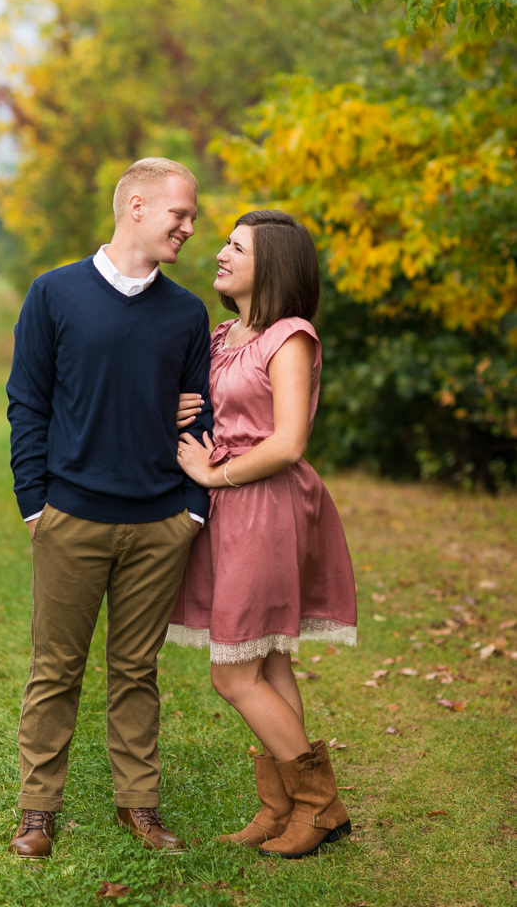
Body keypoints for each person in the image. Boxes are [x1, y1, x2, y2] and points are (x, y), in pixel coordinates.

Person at [6, 158, 213, 859]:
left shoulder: (187, 311)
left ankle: (139, 808)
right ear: (134, 207)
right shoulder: (54, 294)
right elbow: (27, 402)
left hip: (159, 524)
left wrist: (190, 512)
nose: (189, 228)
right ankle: (37, 812)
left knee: (136, 672)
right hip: (71, 517)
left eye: (191, 217)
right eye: (179, 214)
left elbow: (199, 416)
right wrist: (34, 502)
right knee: (55, 670)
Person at [170, 210, 357, 860]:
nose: (218, 251)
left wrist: (211, 473)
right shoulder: (223, 335)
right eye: (223, 240)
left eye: (235, 246)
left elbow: (287, 441)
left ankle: (320, 805)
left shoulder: (290, 337)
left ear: (271, 264)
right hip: (229, 511)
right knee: (269, 658)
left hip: (264, 506)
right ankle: (279, 806)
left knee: (234, 674)